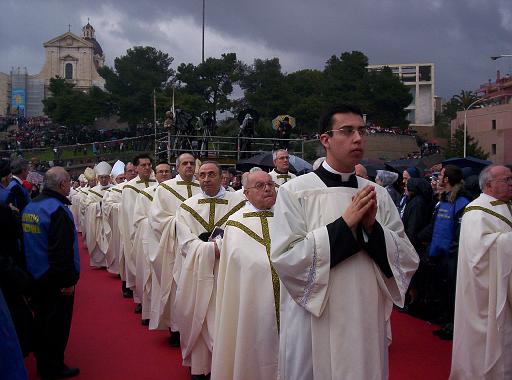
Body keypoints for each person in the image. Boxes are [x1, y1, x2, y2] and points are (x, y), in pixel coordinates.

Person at [270, 104, 418, 380]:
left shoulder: (378, 195)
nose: (358, 138)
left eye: (361, 131)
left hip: (364, 315)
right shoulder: (295, 192)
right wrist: (344, 224)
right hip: (316, 317)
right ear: (325, 139)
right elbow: (287, 259)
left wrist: (372, 228)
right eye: (347, 131)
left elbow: (405, 258)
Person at [174, 161, 246, 379]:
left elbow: (245, 235)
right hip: (199, 271)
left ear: (221, 176)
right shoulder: (187, 206)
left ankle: (226, 367)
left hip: (229, 272)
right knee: (201, 314)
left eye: (211, 174)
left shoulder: (240, 203)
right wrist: (209, 249)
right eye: (202, 175)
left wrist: (221, 248)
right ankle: (200, 366)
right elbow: (185, 242)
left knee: (229, 315)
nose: (206, 179)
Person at [211, 170, 279, 380]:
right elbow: (237, 268)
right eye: (260, 186)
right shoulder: (235, 224)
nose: (267, 188)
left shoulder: (288, 216)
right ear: (246, 193)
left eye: (270, 184)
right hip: (251, 303)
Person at [450, 165, 512, 379]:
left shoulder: (506, 206)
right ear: (489, 184)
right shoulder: (476, 211)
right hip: (484, 294)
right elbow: (478, 256)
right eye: (506, 179)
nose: (511, 183)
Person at [22, 167, 80, 379]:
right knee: (56, 326)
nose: (71, 185)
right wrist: (66, 281)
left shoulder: (31, 206)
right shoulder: (56, 210)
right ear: (62, 184)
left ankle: (43, 361)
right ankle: (53, 366)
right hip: (55, 281)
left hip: (35, 276)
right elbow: (61, 251)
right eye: (69, 182)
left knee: (41, 322)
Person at [147, 153, 200, 344]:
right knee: (177, 286)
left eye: (192, 163)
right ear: (177, 168)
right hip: (175, 245)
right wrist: (182, 225)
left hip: (200, 248)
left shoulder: (202, 187)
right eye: (184, 163)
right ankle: (176, 328)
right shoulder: (165, 189)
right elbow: (156, 218)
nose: (188, 166)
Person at [420, 165, 472, 339]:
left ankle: (452, 324)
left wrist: (452, 253)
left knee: (452, 292)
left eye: (441, 175)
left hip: (451, 256)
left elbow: (459, 232)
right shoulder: (443, 200)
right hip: (438, 254)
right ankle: (444, 319)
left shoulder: (462, 202)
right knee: (441, 290)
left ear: (447, 179)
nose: (438, 178)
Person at [132, 161, 172, 325]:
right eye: (160, 171)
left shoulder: (178, 193)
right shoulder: (146, 194)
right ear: (155, 174)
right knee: (152, 278)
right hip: (153, 240)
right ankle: (150, 312)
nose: (164, 174)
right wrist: (157, 224)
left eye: (167, 171)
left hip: (173, 241)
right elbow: (139, 220)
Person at [119, 154, 156, 303]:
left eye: (149, 164)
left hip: (157, 231)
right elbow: (130, 214)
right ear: (136, 168)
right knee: (140, 265)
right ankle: (140, 300)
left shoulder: (157, 183)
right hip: (139, 232)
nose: (147, 167)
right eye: (143, 165)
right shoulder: (130, 188)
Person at [83, 161, 112, 268]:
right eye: (101, 177)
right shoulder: (93, 191)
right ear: (98, 178)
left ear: (109, 177)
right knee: (99, 239)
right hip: (98, 220)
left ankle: (111, 262)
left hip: (111, 220)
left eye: (106, 177)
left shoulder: (115, 189)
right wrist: (99, 205)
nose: (104, 179)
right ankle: (100, 262)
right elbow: (88, 206)